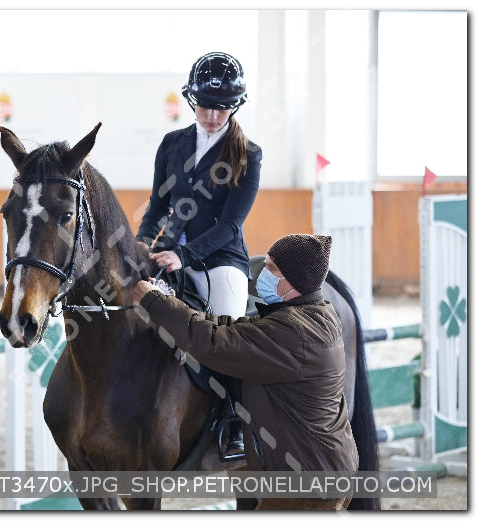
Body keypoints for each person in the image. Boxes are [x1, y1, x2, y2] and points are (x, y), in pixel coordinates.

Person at [132, 234, 358, 510]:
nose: (263, 273)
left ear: (292, 281)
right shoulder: (311, 314)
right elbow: (233, 328)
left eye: (272, 268)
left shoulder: (294, 332)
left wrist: (155, 303)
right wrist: (173, 303)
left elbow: (214, 343)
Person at [135, 51, 262, 454]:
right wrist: (144, 239)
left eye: (222, 107)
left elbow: (230, 224)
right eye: (205, 105)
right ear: (192, 100)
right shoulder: (172, 144)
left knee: (229, 333)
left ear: (235, 106)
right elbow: (158, 205)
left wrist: (185, 257)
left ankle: (235, 419)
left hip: (221, 259)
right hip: (169, 253)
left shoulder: (248, 154)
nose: (212, 115)